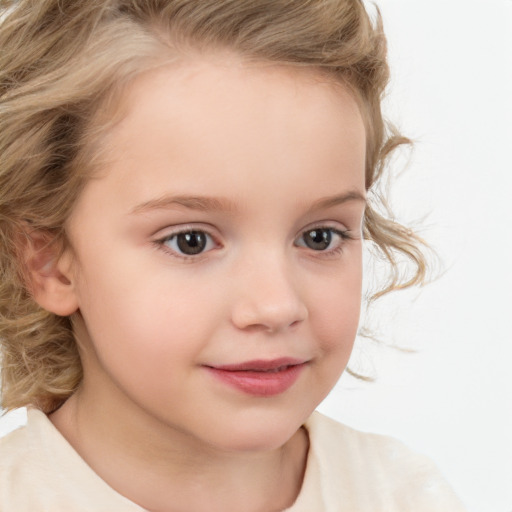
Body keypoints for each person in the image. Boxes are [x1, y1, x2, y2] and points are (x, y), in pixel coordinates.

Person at [0, 1, 466, 510]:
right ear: (49, 262)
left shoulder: (400, 496)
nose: (276, 306)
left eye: (319, 237)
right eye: (191, 241)